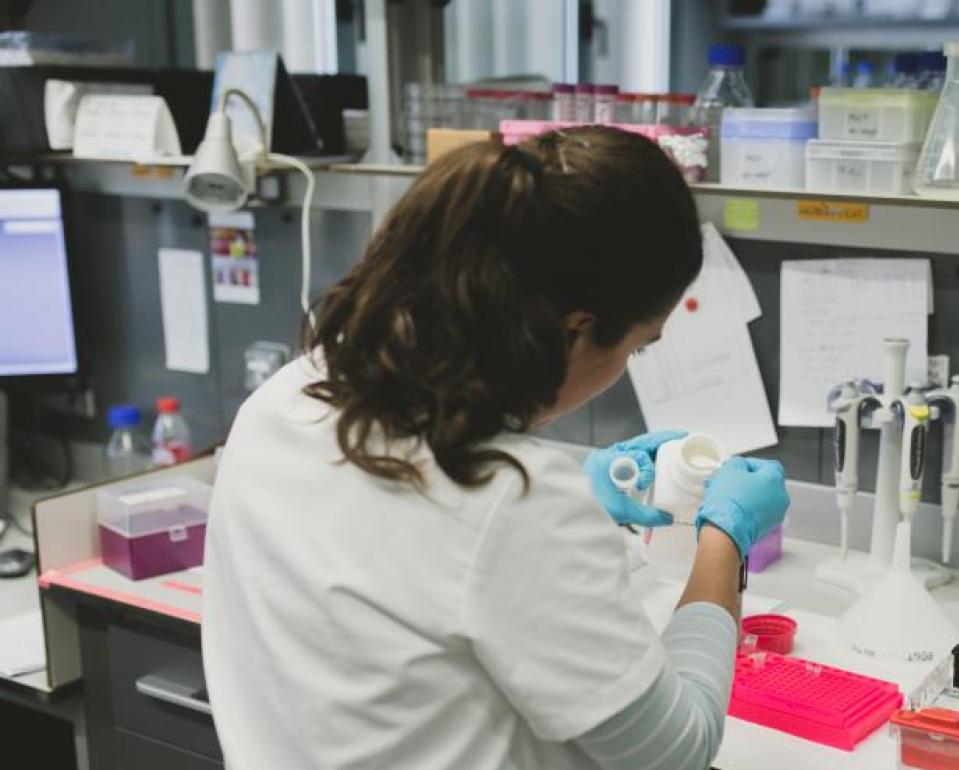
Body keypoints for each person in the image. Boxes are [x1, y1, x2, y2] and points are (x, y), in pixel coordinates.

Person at [203, 126, 790, 769]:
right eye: (639, 345)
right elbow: (675, 750)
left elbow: (413, 560)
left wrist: (566, 506)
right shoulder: (511, 503)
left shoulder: (285, 399)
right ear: (576, 328)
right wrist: (723, 540)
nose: (628, 364)